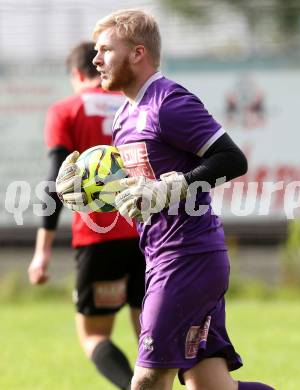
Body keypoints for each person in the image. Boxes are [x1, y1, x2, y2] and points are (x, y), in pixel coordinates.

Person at [56, 11, 275, 390]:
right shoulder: (125, 114)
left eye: (106, 50)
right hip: (162, 256)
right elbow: (138, 188)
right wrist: (92, 190)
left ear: (138, 53)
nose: (96, 60)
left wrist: (176, 186)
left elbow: (231, 159)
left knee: (147, 381)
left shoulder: (168, 102)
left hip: (186, 258)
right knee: (210, 386)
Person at [28, 41, 145, 390]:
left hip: (100, 238)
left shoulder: (66, 109)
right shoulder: (134, 103)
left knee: (93, 336)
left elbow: (54, 180)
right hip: (146, 234)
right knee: (149, 334)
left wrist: (42, 250)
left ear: (78, 74)